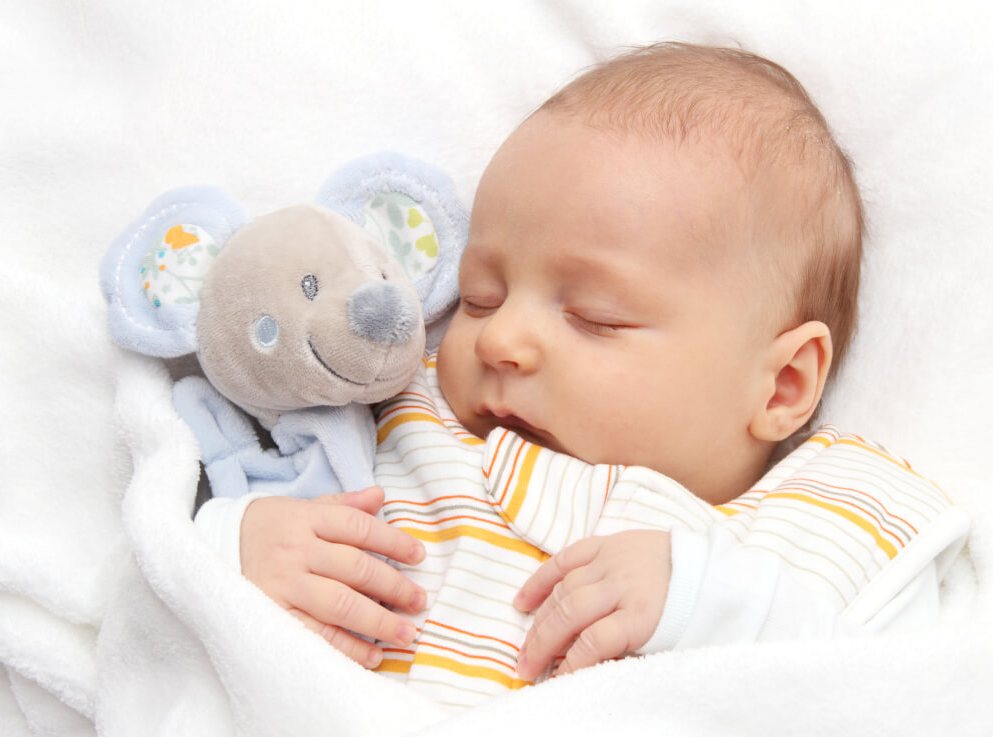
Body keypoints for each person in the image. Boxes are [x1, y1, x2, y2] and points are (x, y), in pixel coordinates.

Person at [200, 43, 968, 707]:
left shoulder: (805, 544)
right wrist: (240, 545)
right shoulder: (404, 422)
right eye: (480, 296)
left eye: (595, 316)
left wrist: (702, 600)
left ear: (782, 386)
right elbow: (189, 540)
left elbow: (903, 697)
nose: (502, 338)